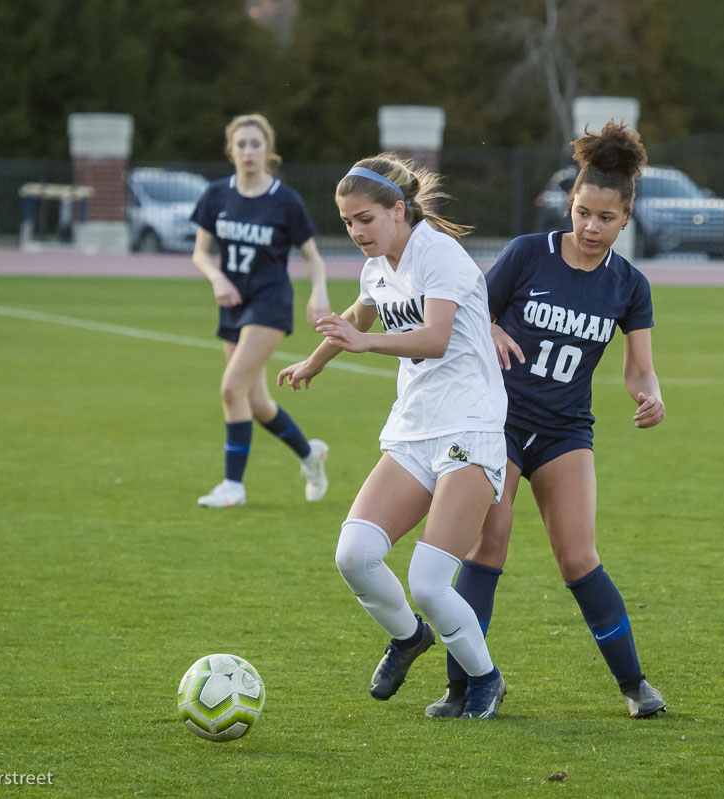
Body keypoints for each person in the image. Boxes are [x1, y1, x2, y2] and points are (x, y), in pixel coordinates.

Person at [423, 121, 667, 720]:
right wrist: (496, 327)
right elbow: (465, 314)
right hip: (496, 423)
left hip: (564, 432)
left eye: (605, 219)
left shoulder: (630, 286)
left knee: (579, 558)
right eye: (583, 212)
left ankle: (635, 687)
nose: (590, 227)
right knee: (490, 543)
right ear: (570, 205)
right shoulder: (529, 252)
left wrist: (650, 394)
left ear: (625, 220)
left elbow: (639, 369)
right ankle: (463, 690)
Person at [277, 154, 509, 719]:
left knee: (429, 582)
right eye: (348, 222)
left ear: (399, 210)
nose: (356, 232)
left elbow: (433, 339)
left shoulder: (440, 255)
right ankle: (408, 639)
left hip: (470, 427)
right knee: (354, 554)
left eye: (365, 219)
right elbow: (358, 316)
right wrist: (314, 362)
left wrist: (367, 345)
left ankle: (485, 680)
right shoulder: (378, 266)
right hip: (413, 429)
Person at [190, 114, 331, 509]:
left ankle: (233, 486)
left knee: (230, 387)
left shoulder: (285, 200)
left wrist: (318, 290)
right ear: (230, 150)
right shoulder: (216, 195)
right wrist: (217, 278)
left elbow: (313, 257)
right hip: (234, 305)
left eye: (256, 144)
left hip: (270, 304)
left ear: (268, 150)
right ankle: (310, 454)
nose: (249, 151)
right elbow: (200, 252)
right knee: (256, 403)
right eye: (241, 144)